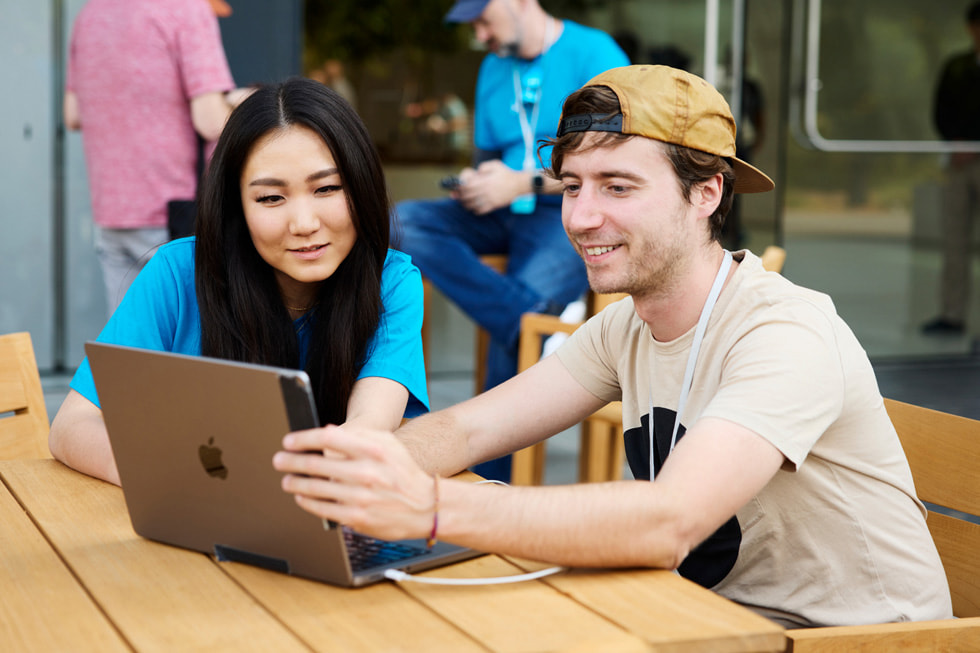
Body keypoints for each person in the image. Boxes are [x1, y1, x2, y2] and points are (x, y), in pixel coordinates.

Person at [273, 65, 953, 628]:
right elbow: (468, 427)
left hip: (854, 641)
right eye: (572, 186)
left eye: (618, 187)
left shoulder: (786, 332)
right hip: (706, 619)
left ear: (707, 193)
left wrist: (430, 507)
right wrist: (331, 476)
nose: (581, 216)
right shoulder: (625, 326)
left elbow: (668, 523)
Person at [50, 78, 429, 486]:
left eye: (327, 188)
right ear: (236, 207)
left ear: (362, 185)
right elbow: (73, 424)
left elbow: (369, 425)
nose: (304, 224)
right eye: (271, 198)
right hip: (181, 510)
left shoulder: (391, 282)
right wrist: (175, 478)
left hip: (317, 512)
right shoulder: (178, 273)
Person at [393, 0, 629, 481]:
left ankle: (491, 481)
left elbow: (619, 160)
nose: (480, 35)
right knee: (398, 222)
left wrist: (524, 182)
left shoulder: (594, 55)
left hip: (569, 208)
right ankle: (525, 323)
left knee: (522, 299)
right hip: (499, 211)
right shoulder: (493, 68)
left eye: (484, 20)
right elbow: (489, 156)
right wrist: (478, 181)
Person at [64, 0, 252, 315]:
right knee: (188, 344)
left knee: (128, 345)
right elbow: (209, 120)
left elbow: (72, 115)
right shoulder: (187, 9)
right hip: (173, 213)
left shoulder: (90, 15)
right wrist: (241, 102)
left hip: (112, 210)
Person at [922, 1, 980, 336]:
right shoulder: (956, 66)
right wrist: (956, 142)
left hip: (972, 156)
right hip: (959, 163)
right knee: (954, 240)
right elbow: (941, 110)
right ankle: (952, 314)